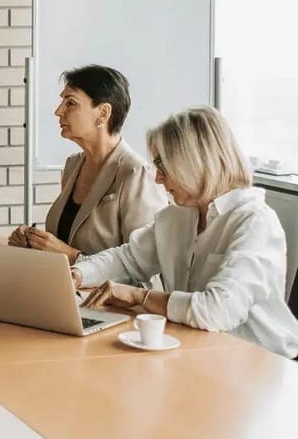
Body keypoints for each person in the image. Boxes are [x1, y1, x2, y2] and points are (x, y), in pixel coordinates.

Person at [75, 107, 298, 358]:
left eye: (162, 165)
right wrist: (77, 275)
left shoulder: (255, 222)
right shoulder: (176, 216)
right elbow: (128, 260)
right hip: (201, 352)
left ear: (194, 161)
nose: (158, 179)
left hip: (263, 365)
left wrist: (140, 297)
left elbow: (216, 311)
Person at [8, 65, 166, 262]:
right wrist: (35, 244)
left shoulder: (137, 173)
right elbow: (66, 242)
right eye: (61, 101)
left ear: (103, 113)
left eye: (70, 103)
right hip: (63, 290)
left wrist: (72, 257)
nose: (58, 111)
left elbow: (144, 269)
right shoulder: (73, 165)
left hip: (102, 293)